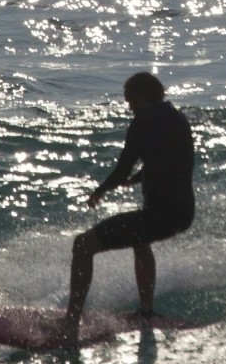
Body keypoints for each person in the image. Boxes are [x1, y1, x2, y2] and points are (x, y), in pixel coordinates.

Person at [65, 73, 195, 335]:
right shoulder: (178, 119)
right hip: (183, 213)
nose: (129, 107)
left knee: (82, 245)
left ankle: (70, 323)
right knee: (139, 238)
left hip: (159, 216)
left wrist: (100, 191)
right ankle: (145, 312)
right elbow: (169, 160)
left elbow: (122, 168)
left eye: (131, 101)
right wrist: (137, 180)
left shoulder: (143, 122)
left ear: (142, 97)